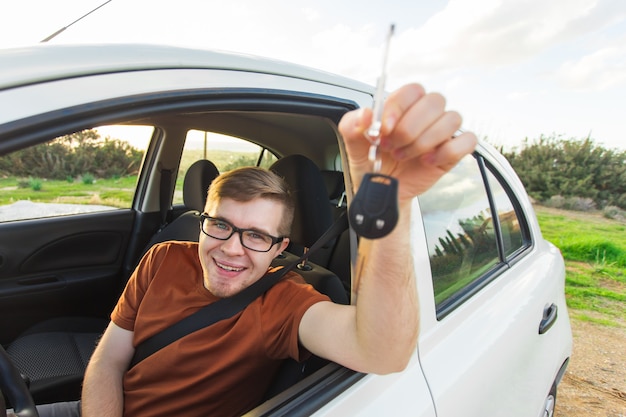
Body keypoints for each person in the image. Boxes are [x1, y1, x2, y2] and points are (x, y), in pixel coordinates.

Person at [11, 83, 477, 417]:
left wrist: (387, 214)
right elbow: (110, 357)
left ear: (280, 248)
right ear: (203, 220)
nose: (232, 249)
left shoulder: (285, 302)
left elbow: (383, 354)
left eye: (256, 236)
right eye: (221, 226)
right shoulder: (164, 257)